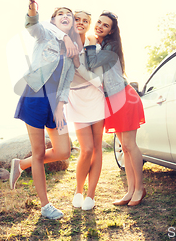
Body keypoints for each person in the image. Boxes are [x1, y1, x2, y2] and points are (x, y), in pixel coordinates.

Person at [9, 0, 79, 220]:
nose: (65, 16)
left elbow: (67, 81)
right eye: (60, 13)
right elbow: (32, 23)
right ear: (53, 20)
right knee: (39, 152)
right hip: (35, 96)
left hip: (55, 104)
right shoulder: (44, 36)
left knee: (63, 151)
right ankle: (45, 205)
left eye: (69, 14)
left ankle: (21, 165)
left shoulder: (72, 51)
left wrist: (61, 105)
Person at [84, 11, 146, 207]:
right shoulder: (101, 45)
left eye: (105, 25)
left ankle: (139, 188)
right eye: (99, 22)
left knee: (129, 145)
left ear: (111, 32)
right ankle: (129, 190)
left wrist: (91, 41)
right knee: (124, 149)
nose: (100, 26)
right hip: (112, 101)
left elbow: (92, 64)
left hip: (125, 97)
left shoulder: (109, 47)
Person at [66, 11, 106, 211]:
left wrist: (77, 65)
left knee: (97, 148)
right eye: (77, 19)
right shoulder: (63, 44)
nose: (80, 23)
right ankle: (78, 191)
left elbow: (98, 79)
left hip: (96, 99)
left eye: (85, 20)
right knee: (86, 149)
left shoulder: (94, 46)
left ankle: (91, 194)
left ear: (89, 24)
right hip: (76, 101)